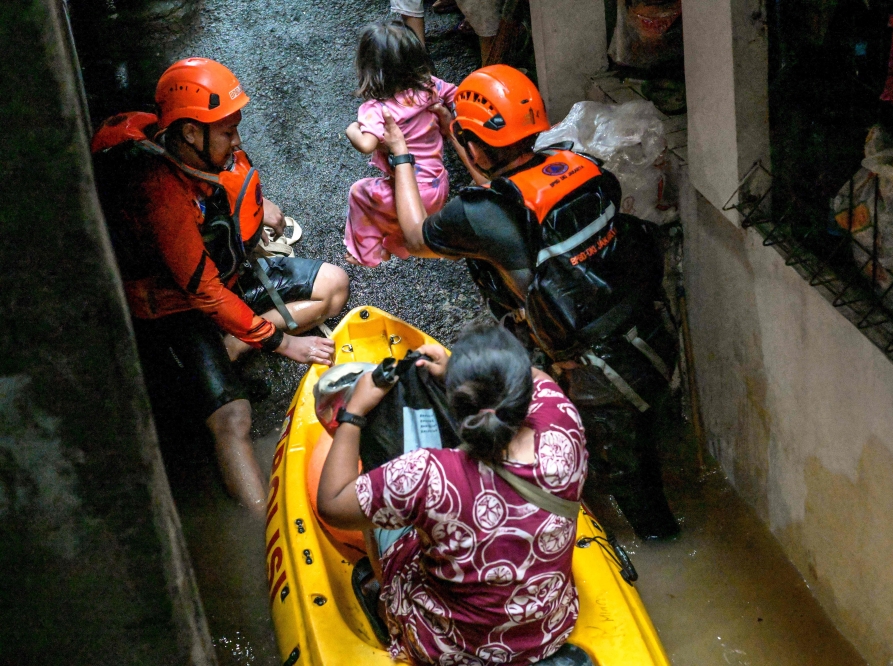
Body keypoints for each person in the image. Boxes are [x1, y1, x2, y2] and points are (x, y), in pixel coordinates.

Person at [380, 64, 681, 540]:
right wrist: (461, 136)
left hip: (600, 371)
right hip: (649, 331)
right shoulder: (579, 165)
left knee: (633, 493)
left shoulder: (480, 216)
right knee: (641, 455)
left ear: (473, 141)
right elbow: (505, 189)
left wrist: (401, 157)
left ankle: (655, 552)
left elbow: (417, 235)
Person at [90, 58, 349, 517]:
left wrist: (260, 205)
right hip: (178, 310)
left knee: (334, 286)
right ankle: (260, 519)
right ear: (190, 133)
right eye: (227, 132)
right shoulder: (162, 195)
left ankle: (232, 343)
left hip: (223, 280)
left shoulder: (201, 156)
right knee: (233, 419)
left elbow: (228, 198)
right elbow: (204, 293)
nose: (237, 140)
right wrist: (282, 342)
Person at [317, 325, 586, 664]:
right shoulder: (564, 421)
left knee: (383, 511)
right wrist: (453, 367)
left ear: (457, 401)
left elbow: (332, 505)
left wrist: (353, 414)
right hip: (549, 627)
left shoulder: (429, 475)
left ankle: (386, 599)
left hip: (456, 649)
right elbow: (536, 376)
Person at [343, 20, 463, 267]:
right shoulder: (431, 86)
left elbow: (366, 144)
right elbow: (458, 95)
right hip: (438, 184)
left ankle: (365, 254)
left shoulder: (377, 109)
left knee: (360, 193)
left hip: (412, 191)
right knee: (391, 207)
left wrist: (351, 129)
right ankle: (391, 246)